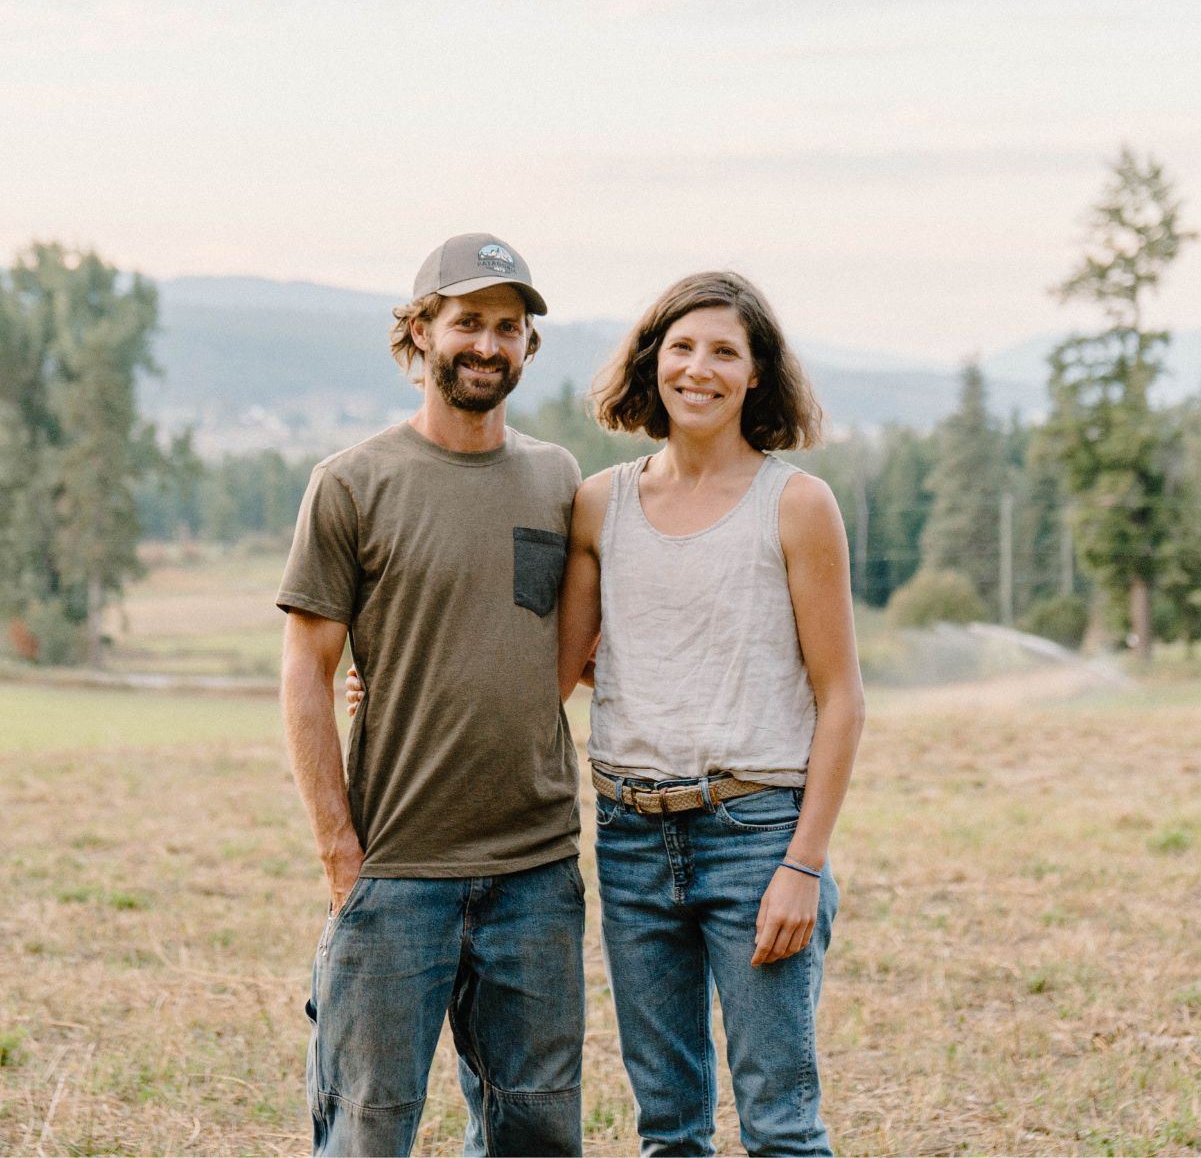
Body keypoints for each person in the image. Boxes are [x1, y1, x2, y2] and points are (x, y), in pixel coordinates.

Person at [278, 232, 585, 1157]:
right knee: (367, 1133)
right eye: (468, 322)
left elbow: (557, 645)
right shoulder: (351, 484)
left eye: (508, 327)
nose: (488, 345)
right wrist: (341, 856)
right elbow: (306, 675)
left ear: (528, 344)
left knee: (536, 1131)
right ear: (421, 331)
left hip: (536, 870)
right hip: (396, 867)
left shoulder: (558, 479)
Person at [562, 271, 863, 1155]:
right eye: (682, 347)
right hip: (630, 838)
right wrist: (391, 686)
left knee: (781, 1126)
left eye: (725, 351)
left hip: (756, 836)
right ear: (651, 360)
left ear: (756, 374)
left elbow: (842, 697)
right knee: (668, 1128)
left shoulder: (796, 505)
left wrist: (802, 865)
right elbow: (554, 671)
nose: (699, 369)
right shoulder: (600, 504)